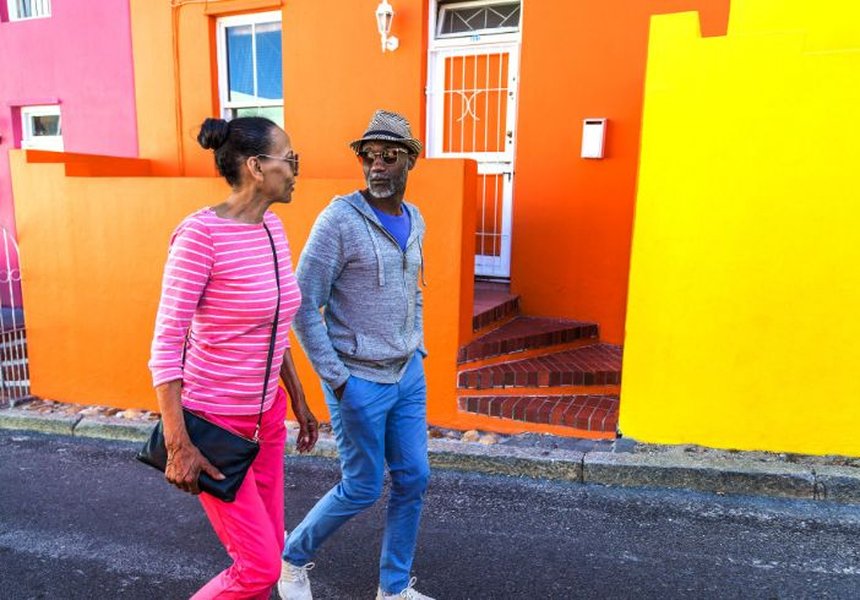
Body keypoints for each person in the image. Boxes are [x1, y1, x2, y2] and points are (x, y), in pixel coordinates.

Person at [148, 116, 319, 599]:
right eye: (290, 158)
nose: (296, 168)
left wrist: (299, 399)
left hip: (267, 421)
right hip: (217, 427)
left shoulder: (273, 229)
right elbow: (165, 344)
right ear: (256, 167)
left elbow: (274, 325)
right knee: (260, 567)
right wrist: (179, 445)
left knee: (263, 552)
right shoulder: (199, 236)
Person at [278, 110, 434, 600]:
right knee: (363, 487)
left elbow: (415, 290)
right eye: (370, 157)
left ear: (410, 160)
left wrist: (417, 343)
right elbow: (303, 306)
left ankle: (392, 589)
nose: (378, 167)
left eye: (390, 156)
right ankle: (292, 559)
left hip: (407, 373)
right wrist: (338, 380)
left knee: (414, 479)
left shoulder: (416, 220)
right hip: (358, 379)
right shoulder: (339, 220)